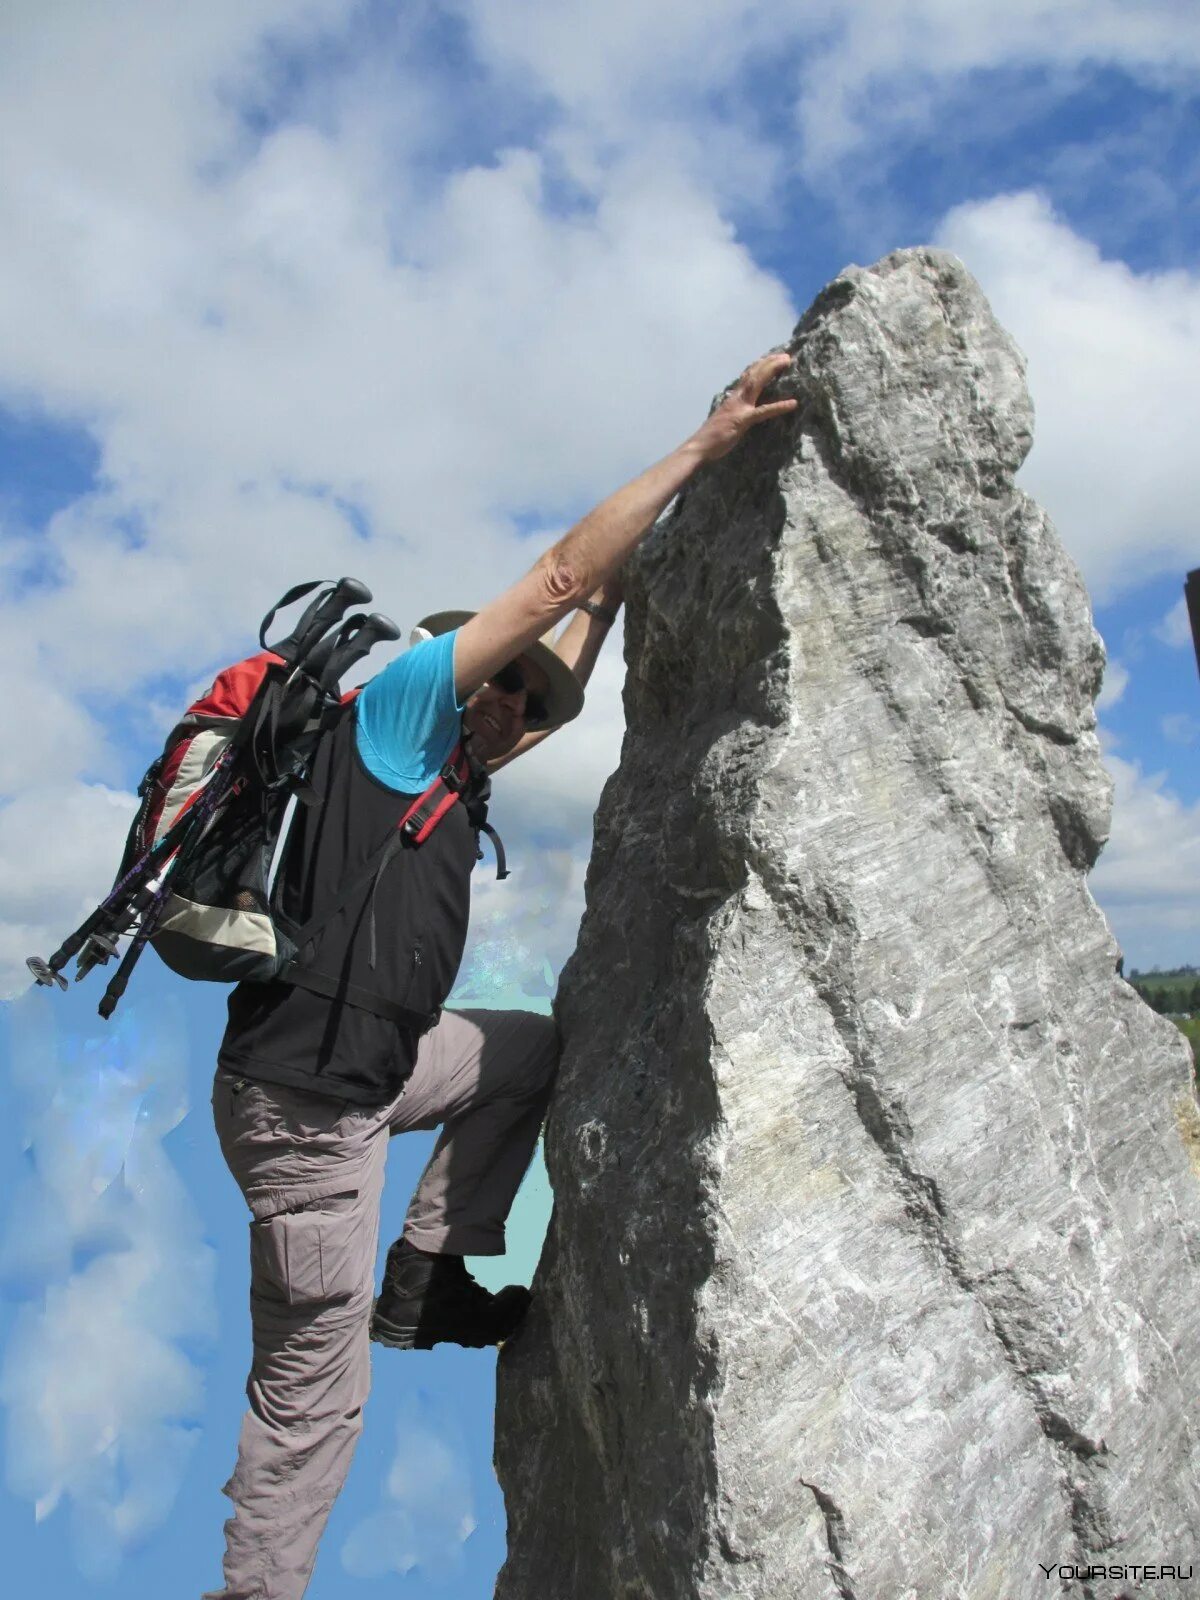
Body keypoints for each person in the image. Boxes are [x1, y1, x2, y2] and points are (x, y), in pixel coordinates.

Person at [203, 351, 797, 1599]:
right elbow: (557, 583)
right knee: (316, 1397)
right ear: (455, 665)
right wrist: (703, 447)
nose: (517, 703)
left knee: (521, 1049)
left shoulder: (452, 774)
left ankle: (428, 1275)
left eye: (527, 696)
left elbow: (572, 644)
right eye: (505, 678)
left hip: (361, 1079)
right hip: (307, 1116)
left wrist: (631, 583)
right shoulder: (404, 708)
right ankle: (254, 1590)